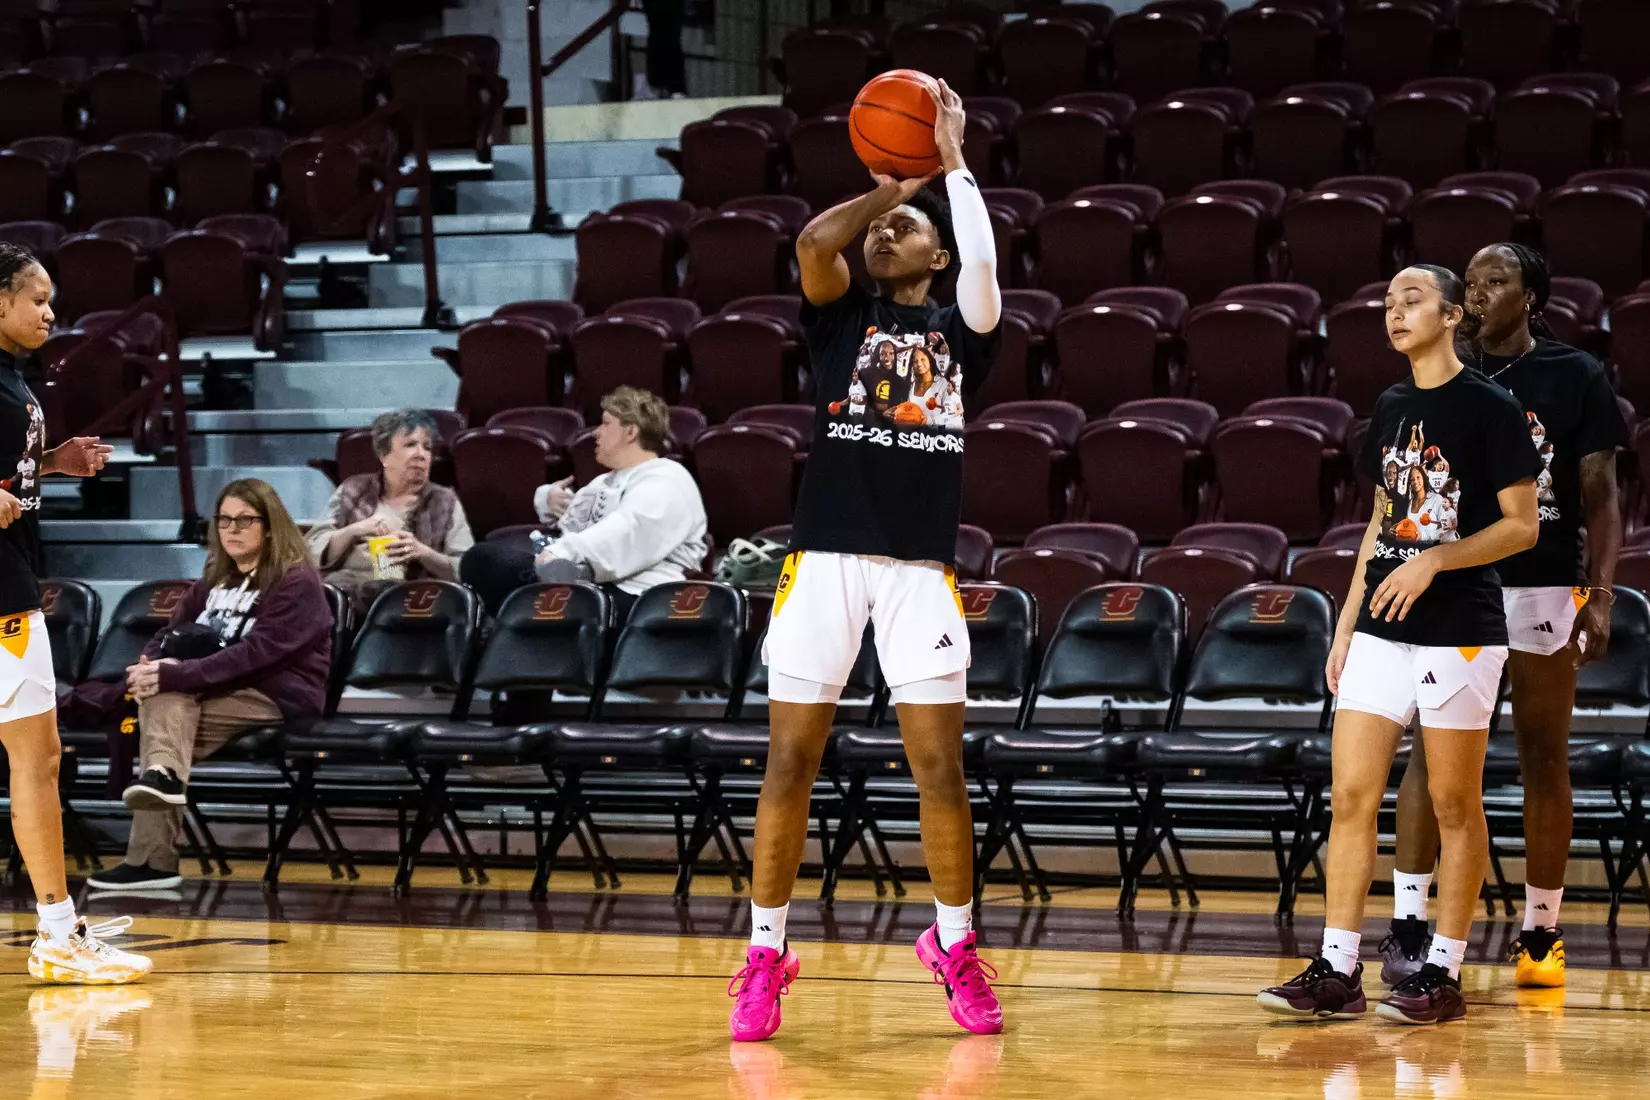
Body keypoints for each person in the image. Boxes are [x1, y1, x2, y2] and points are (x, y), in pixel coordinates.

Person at [727, 79, 1004, 1042]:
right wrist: (889, 188)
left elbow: (984, 261)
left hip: (919, 567)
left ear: (938, 250)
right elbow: (812, 245)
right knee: (790, 761)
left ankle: (954, 945)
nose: (892, 237)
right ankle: (765, 955)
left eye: (911, 227)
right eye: (886, 227)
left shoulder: (965, 333)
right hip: (826, 562)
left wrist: (949, 166)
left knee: (938, 767)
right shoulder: (840, 316)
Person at [1256, 265, 1541, 1025]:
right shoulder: (1388, 407)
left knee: (1453, 802)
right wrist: (1346, 626)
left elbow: (1523, 525)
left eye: (1412, 299)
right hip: (1382, 628)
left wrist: (1436, 560)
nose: (1394, 310)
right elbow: (1384, 523)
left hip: (1461, 630)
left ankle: (1441, 972)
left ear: (1452, 315)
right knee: (1350, 797)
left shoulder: (1491, 406)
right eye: (1386, 301)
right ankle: (1338, 966)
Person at [1381, 244, 1626, 990]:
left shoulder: (1572, 375)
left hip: (1542, 584)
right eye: (1474, 281)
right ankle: (1409, 927)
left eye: (1498, 280)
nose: (1481, 291)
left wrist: (1601, 591)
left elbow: (1602, 491)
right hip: (1458, 584)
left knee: (1543, 755)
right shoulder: (1439, 373)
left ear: (1533, 298)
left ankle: (1542, 931)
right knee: (1432, 756)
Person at [0, 242, 152, 983]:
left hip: (13, 579)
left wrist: (54, 462)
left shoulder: (13, 376)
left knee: (40, 757)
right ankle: (58, 932)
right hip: (0, 596)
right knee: (38, 758)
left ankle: (59, 927)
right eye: (38, 299)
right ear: (0, 301)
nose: (51, 313)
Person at [88, 479, 333, 891]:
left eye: (244, 520)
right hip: (210, 691)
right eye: (224, 520)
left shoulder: (295, 582)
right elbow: (170, 633)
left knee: (163, 713)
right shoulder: (213, 579)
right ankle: (161, 781)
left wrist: (171, 675)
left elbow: (256, 654)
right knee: (163, 705)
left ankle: (153, 860)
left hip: (273, 694)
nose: (232, 529)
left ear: (269, 526)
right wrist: (147, 666)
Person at [459, 386, 708, 621]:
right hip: (587, 582)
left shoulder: (666, 475)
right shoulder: (604, 481)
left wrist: (562, 553)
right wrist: (550, 500)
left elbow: (628, 528)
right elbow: (577, 519)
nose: (596, 433)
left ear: (630, 432)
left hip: (640, 593)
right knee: (479, 560)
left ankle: (553, 585)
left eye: (606, 424)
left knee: (510, 575)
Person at [306, 409, 473, 615]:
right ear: (384, 455)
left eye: (427, 447)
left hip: (410, 599)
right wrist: (354, 530)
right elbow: (313, 547)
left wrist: (422, 552)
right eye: (410, 445)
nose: (421, 454)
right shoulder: (354, 489)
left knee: (383, 592)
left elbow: (466, 567)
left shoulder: (444, 501)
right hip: (342, 591)